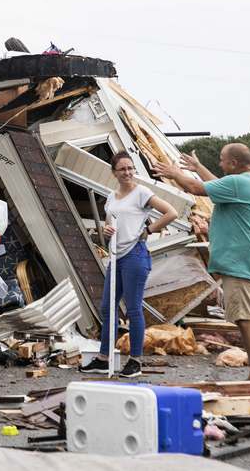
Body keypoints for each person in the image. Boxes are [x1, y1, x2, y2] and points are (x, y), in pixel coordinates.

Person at [154, 144, 250, 380]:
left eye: (222, 159)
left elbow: (196, 187)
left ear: (234, 163)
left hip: (240, 263)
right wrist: (198, 167)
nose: (220, 163)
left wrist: (175, 173)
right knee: (243, 319)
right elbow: (217, 182)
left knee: (247, 320)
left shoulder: (240, 183)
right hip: (242, 262)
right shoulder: (246, 182)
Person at [78, 151, 178, 378]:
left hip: (135, 255)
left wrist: (148, 230)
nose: (128, 172)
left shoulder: (142, 192)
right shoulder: (112, 197)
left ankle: (135, 361)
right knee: (107, 308)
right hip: (116, 256)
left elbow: (170, 212)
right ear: (114, 172)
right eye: (122, 169)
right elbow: (109, 223)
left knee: (133, 309)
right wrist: (106, 230)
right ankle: (104, 359)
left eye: (130, 168)